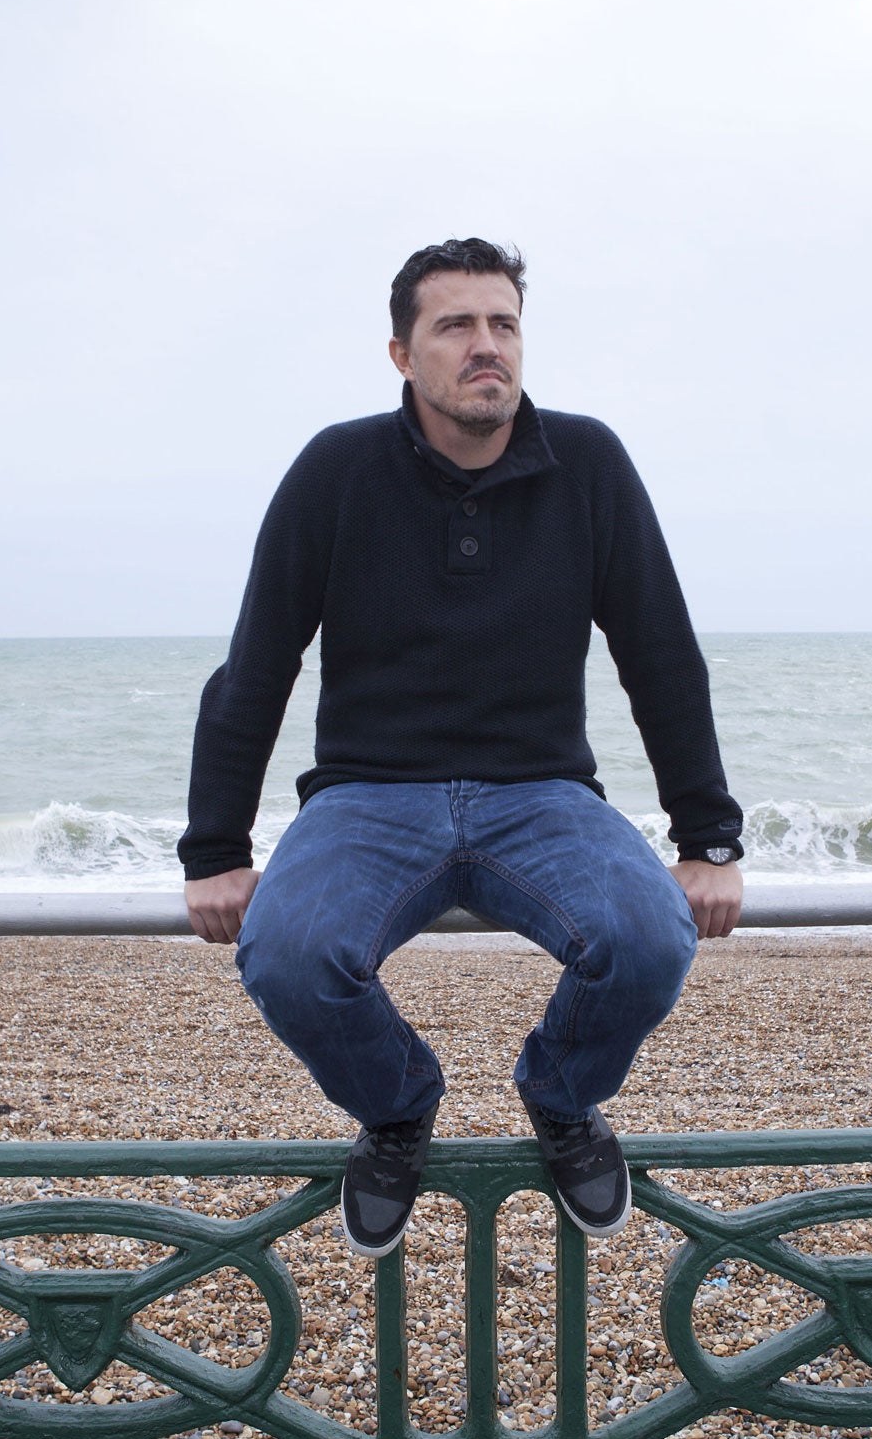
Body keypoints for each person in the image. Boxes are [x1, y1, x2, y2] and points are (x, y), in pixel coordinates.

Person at [179, 238, 743, 1259]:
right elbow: (257, 660)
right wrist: (213, 848)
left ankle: (560, 1098)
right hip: (365, 795)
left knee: (651, 937)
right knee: (292, 955)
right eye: (455, 326)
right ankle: (397, 1110)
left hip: (541, 794)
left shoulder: (589, 463)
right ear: (401, 353)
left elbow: (658, 652)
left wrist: (706, 835)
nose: (486, 347)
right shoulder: (335, 469)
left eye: (503, 325)